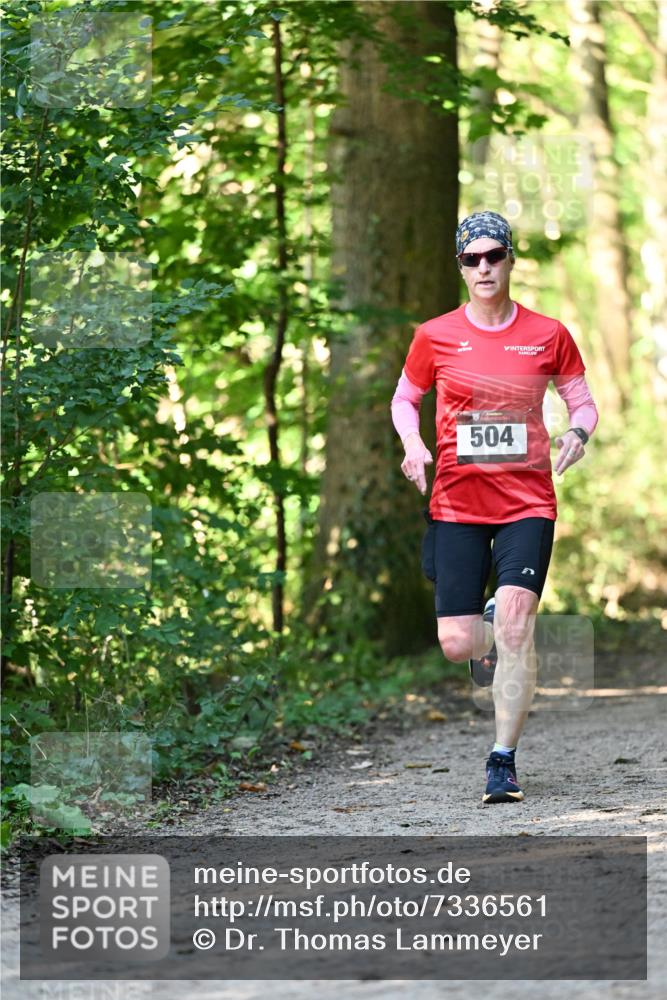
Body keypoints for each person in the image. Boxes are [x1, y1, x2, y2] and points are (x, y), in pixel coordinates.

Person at [391, 210, 598, 804]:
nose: (483, 267)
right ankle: (487, 626)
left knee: (516, 623)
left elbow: (582, 403)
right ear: (460, 266)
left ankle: (502, 760)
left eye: (493, 255)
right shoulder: (434, 335)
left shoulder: (548, 332)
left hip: (528, 499)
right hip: (457, 501)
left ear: (509, 259)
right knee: (459, 643)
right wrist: (413, 445)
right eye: (470, 258)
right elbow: (405, 399)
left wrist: (576, 435)